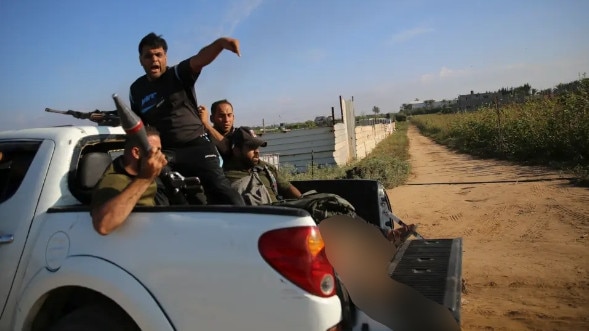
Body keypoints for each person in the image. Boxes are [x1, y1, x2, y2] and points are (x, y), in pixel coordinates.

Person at [128, 32, 245, 206]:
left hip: (197, 145)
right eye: (148, 56)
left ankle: (247, 221)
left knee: (220, 188)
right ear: (140, 60)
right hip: (166, 151)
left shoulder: (177, 74)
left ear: (165, 57)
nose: (154, 60)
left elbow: (200, 59)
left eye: (158, 55)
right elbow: (140, 126)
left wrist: (220, 43)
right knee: (155, 187)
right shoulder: (136, 90)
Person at [90, 126, 168, 235]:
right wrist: (145, 179)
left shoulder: (152, 176)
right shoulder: (114, 181)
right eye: (155, 152)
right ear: (136, 153)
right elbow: (103, 225)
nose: (160, 157)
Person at [223, 127, 302, 205]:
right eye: (251, 147)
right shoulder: (225, 175)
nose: (257, 151)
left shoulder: (266, 168)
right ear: (237, 150)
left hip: (277, 214)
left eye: (257, 147)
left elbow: (287, 189)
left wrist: (303, 203)